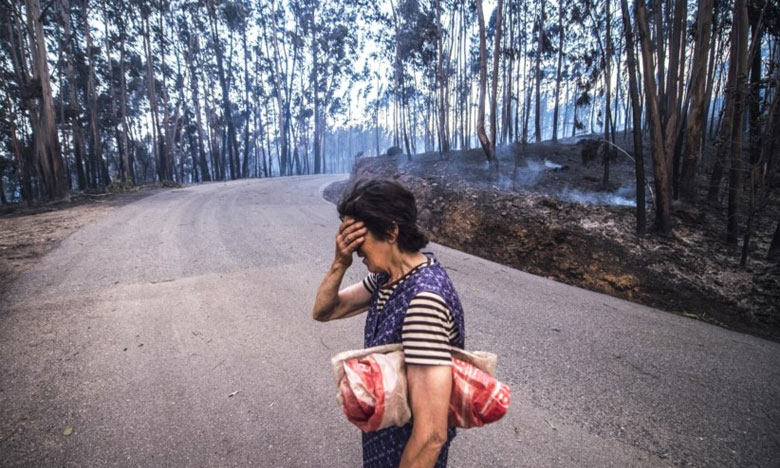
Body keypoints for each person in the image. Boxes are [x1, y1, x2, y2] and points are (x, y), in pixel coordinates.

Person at [312, 179, 466, 468]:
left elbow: (431, 435)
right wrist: (338, 263)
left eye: (360, 238)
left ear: (392, 231)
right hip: (382, 445)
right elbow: (324, 311)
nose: (356, 251)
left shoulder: (423, 303)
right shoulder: (387, 278)